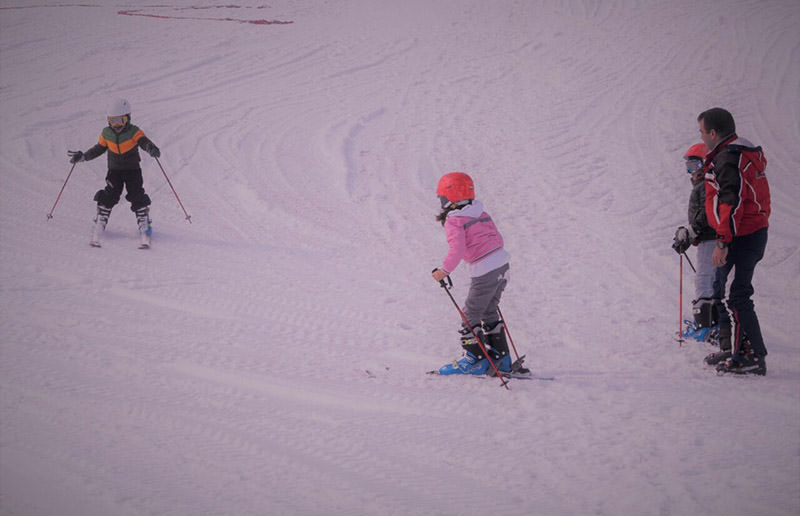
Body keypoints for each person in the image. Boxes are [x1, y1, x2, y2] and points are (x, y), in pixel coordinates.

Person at [697, 107, 770, 375]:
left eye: (703, 132)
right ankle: (735, 348)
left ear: (713, 132)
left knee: (737, 295)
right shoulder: (739, 152)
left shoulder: (730, 158)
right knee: (722, 289)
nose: (702, 137)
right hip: (746, 232)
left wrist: (723, 241)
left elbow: (731, 202)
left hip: (742, 235)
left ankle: (751, 355)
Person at [431, 172, 512, 375]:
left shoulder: (454, 220)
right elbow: (497, 238)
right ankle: (501, 358)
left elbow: (456, 250)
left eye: (441, 197)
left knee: (470, 314)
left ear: (449, 198)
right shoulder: (481, 213)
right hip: (502, 265)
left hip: (485, 269)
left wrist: (444, 271)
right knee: (488, 310)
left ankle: (475, 360)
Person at [68, 98, 161, 247]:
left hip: (132, 170)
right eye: (112, 121)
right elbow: (98, 148)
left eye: (120, 121)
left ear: (127, 119)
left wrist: (151, 148)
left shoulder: (134, 131)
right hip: (114, 171)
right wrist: (84, 156)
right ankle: (101, 218)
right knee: (110, 193)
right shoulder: (106, 133)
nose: (116, 125)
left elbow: (143, 141)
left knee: (136, 193)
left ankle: (144, 223)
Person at [672, 142, 720, 343]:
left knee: (704, 279)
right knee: (711, 279)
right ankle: (714, 325)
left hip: (711, 238)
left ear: (706, 164)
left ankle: (706, 326)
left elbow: (707, 214)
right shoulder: (704, 185)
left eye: (695, 165)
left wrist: (692, 232)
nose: (691, 172)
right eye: (689, 167)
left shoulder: (706, 186)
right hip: (709, 238)